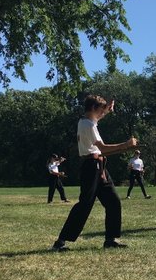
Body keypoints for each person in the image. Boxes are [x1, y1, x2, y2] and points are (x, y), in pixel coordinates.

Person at [52, 95, 137, 251]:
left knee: (113, 201)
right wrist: (125, 145)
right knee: (84, 204)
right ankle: (60, 242)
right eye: (100, 110)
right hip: (91, 167)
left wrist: (108, 111)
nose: (102, 113)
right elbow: (103, 148)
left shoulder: (86, 121)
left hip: (98, 166)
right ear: (92, 108)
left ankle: (110, 240)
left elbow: (97, 120)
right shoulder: (88, 126)